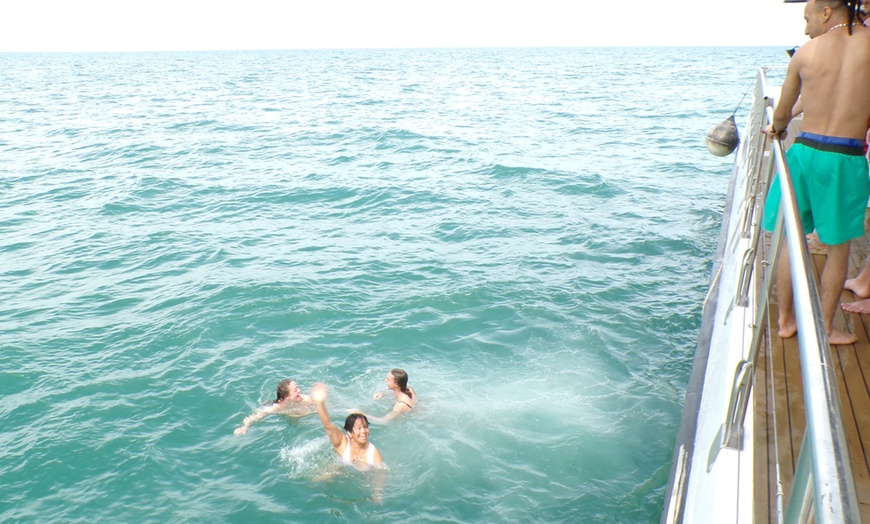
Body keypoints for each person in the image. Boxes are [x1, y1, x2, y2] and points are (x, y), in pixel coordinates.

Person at [762, 0, 870, 344]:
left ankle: (785, 321)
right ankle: (825, 328)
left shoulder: (805, 53)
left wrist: (776, 129)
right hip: (844, 157)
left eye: (807, 17)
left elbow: (782, 114)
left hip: (804, 152)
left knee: (790, 241)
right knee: (838, 248)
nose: (806, 27)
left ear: (827, 12)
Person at [311, 382, 384, 469]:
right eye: (359, 428)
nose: (363, 431)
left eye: (365, 427)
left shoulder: (373, 454)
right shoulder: (342, 443)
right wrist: (320, 402)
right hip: (336, 469)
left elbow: (380, 478)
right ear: (349, 433)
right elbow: (328, 426)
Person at [233, 379, 315, 435]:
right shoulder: (276, 407)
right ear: (287, 397)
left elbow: (316, 407)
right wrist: (244, 427)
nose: (299, 390)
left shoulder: (304, 398)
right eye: (296, 390)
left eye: (298, 388)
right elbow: (254, 417)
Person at [351, 369, 417, 424]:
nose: (385, 380)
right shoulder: (409, 389)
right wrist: (383, 393)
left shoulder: (399, 406)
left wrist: (360, 414)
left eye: (388, 380)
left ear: (395, 384)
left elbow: (382, 420)